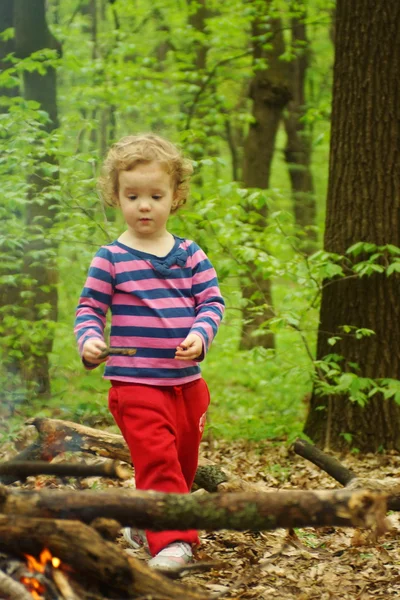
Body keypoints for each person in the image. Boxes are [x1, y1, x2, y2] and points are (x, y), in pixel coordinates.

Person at [74, 133, 224, 570]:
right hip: (135, 384)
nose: (144, 205)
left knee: (181, 462)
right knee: (158, 461)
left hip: (187, 385)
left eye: (155, 195)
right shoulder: (111, 258)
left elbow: (211, 302)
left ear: (174, 198)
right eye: (132, 195)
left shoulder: (191, 254)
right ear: (115, 196)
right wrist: (89, 341)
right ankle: (173, 542)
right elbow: (88, 309)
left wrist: (201, 334)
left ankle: (144, 519)